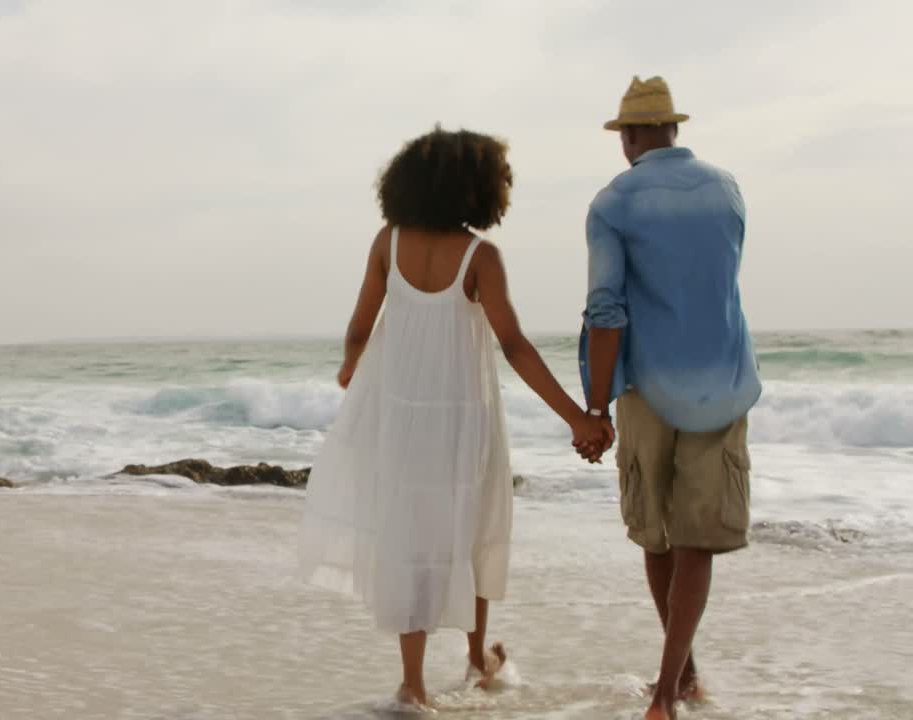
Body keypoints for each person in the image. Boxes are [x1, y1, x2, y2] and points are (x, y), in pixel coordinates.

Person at [298, 126, 612, 709]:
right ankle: (476, 656)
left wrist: (350, 368)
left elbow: (360, 326)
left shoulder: (387, 243)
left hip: (400, 413)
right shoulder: (479, 256)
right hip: (464, 417)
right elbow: (514, 345)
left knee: (410, 537)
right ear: (478, 190)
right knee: (475, 527)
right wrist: (577, 417)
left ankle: (412, 684)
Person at [581, 76, 762, 720]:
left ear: (628, 136)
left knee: (657, 536)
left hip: (647, 390)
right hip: (724, 380)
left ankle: (670, 689)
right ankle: (678, 681)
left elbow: (607, 312)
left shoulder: (614, 202)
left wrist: (595, 410)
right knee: (696, 540)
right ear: (674, 129)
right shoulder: (727, 189)